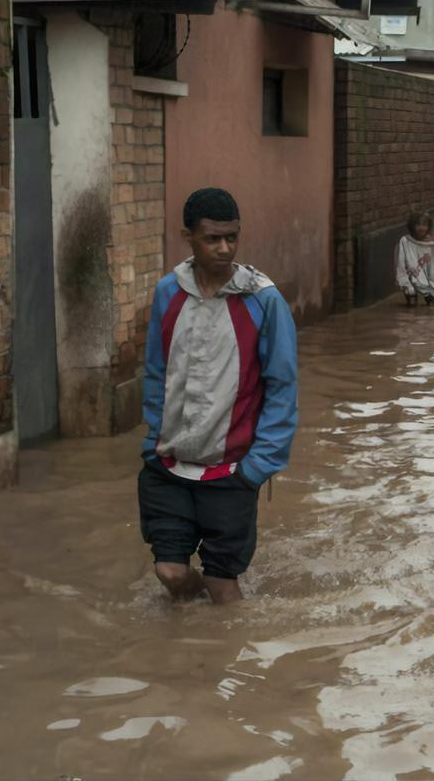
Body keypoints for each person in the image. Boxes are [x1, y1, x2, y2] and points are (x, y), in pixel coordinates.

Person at [139, 187, 298, 604]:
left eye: (232, 237)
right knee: (171, 573)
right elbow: (157, 372)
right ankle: (182, 657)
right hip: (169, 464)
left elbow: (283, 387)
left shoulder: (263, 301)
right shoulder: (167, 294)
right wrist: (153, 440)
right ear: (187, 236)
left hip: (232, 473)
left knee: (224, 587)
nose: (224, 248)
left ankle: (223, 659)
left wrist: (258, 466)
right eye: (212, 239)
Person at [396, 212, 434, 307]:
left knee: (432, 303)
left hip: (425, 272)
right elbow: (401, 262)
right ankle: (411, 297)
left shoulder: (431, 243)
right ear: (412, 226)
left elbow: (433, 263)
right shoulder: (405, 241)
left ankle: (428, 296)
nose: (421, 228)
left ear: (428, 227)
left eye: (424, 225)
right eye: (418, 225)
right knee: (411, 298)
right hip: (410, 272)